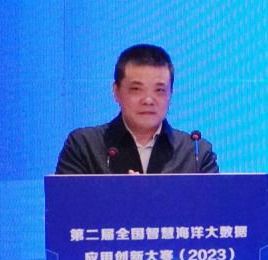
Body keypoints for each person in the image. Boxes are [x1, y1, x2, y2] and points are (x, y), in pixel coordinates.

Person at [55, 44, 218, 174]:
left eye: (159, 90)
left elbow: (212, 206)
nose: (148, 100)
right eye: (136, 89)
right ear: (116, 92)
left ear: (171, 93)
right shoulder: (84, 146)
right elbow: (67, 205)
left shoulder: (196, 153)